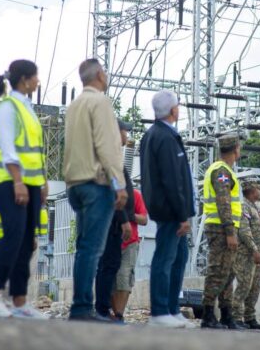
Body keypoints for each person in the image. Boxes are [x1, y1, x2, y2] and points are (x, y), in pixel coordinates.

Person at [0, 59, 48, 319]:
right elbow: (8, 147)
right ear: (25, 80)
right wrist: (18, 181)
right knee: (12, 236)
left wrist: (41, 181)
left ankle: (20, 303)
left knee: (25, 243)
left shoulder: (26, 107)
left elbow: (34, 149)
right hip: (8, 179)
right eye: (36, 76)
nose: (38, 80)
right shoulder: (9, 107)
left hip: (29, 182)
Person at [63, 59, 128, 322]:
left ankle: (80, 305)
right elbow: (107, 146)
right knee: (92, 249)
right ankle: (82, 308)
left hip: (74, 184)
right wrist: (119, 183)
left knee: (83, 247)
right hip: (95, 183)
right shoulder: (100, 102)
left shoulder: (74, 105)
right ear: (100, 75)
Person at [140, 90, 196, 329]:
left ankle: (172, 309)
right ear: (173, 110)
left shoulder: (154, 135)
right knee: (165, 258)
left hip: (168, 207)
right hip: (171, 210)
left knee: (179, 257)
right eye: (178, 105)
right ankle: (160, 311)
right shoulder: (164, 137)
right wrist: (182, 214)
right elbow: (172, 179)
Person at [94, 119, 136, 321]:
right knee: (108, 265)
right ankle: (101, 309)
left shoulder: (114, 156)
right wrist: (124, 220)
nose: (126, 135)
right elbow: (115, 191)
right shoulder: (111, 157)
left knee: (109, 264)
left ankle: (102, 309)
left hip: (114, 221)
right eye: (124, 131)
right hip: (113, 222)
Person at [200, 134, 243, 329]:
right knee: (217, 270)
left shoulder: (223, 170)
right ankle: (208, 315)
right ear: (236, 150)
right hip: (220, 228)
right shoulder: (221, 171)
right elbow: (223, 201)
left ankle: (226, 315)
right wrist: (229, 231)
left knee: (229, 271)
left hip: (224, 227)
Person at [232, 183, 260, 330]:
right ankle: (236, 317)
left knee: (254, 287)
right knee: (244, 286)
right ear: (252, 192)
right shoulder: (244, 207)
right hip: (247, 254)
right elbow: (244, 232)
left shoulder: (253, 207)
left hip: (256, 254)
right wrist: (254, 250)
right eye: (259, 189)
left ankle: (250, 317)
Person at [111, 186, 148, 323]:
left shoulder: (136, 195)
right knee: (111, 280)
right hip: (111, 242)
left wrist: (128, 215)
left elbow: (144, 220)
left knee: (124, 277)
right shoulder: (109, 193)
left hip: (130, 243)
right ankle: (116, 314)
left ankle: (119, 315)